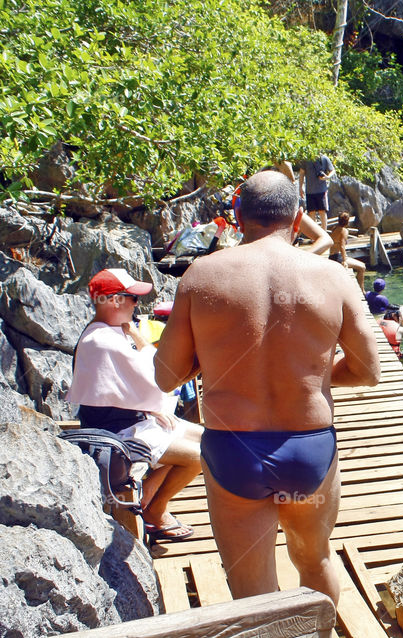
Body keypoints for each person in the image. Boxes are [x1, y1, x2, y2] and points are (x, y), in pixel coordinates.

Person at [153, 170, 381, 602]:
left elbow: (166, 375)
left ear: (238, 217)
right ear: (297, 219)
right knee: (315, 561)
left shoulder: (201, 276)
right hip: (309, 449)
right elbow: (369, 371)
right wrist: (313, 376)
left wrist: (215, 360)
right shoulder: (333, 278)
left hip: (233, 449)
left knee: (250, 585)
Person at [66, 268, 203, 541]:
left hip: (131, 421)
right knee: (201, 456)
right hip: (117, 435)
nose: (136, 304)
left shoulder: (108, 332)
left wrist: (132, 333)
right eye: (132, 298)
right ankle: (155, 510)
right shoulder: (103, 341)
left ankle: (150, 496)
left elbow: (136, 384)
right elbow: (160, 375)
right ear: (115, 300)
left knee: (208, 438)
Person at [329, 212, 365, 288]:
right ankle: (362, 291)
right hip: (337, 258)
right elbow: (342, 246)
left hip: (331, 256)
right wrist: (344, 260)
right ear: (347, 221)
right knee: (362, 267)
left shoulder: (334, 228)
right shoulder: (344, 231)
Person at [299, 154, 335, 230]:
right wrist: (300, 187)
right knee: (311, 213)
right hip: (310, 191)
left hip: (322, 190)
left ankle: (324, 233)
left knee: (322, 211)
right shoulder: (306, 159)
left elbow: (332, 170)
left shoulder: (324, 158)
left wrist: (327, 177)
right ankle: (314, 235)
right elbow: (302, 172)